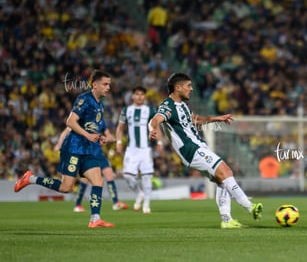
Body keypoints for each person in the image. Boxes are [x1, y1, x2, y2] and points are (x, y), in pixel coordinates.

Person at [148, 72, 263, 228]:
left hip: (197, 146)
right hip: (190, 148)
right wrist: (152, 129)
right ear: (177, 87)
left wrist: (218, 118)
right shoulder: (167, 106)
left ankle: (227, 220)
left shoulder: (182, 106)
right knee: (227, 171)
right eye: (188, 85)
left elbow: (196, 120)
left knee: (222, 181)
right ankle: (250, 207)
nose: (191, 89)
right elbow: (155, 119)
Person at [14, 69, 115, 228]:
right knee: (66, 187)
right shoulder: (84, 99)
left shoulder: (100, 104)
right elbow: (70, 122)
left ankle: (95, 218)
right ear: (95, 85)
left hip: (87, 150)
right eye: (105, 84)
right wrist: (88, 136)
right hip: (73, 148)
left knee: (98, 181)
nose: (108, 87)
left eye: (109, 84)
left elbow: (90, 127)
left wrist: (99, 136)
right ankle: (31, 179)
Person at [54, 127, 129, 212]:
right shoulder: (82, 116)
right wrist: (59, 144)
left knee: (109, 174)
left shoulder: (100, 119)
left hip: (99, 155)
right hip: (88, 154)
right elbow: (67, 129)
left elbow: (107, 133)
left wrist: (109, 138)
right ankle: (78, 204)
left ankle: (116, 202)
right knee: (84, 180)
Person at [115, 86, 162, 214]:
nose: (139, 96)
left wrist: (159, 142)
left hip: (145, 149)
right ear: (133, 96)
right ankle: (139, 193)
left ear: (145, 97)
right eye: (137, 94)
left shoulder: (150, 110)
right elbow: (120, 128)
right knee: (127, 176)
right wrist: (119, 142)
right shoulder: (126, 110)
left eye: (142, 94)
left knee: (147, 177)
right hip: (131, 149)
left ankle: (146, 205)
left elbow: (157, 126)